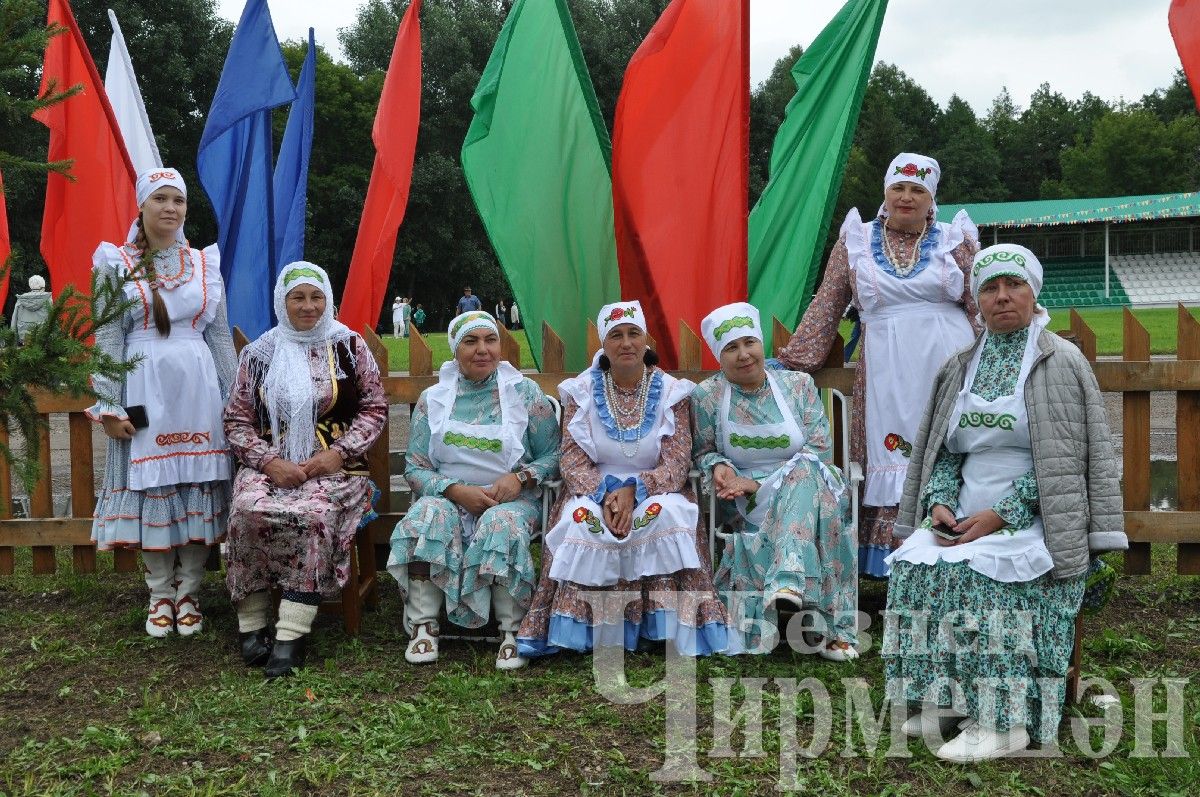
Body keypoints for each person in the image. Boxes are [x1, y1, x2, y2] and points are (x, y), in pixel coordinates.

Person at [883, 244, 1126, 761]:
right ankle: (945, 700)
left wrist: (1000, 516)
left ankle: (1005, 721)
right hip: (965, 516)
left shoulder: (1060, 362)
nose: (1002, 297)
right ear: (977, 301)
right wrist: (941, 504)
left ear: (1034, 292)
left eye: (1013, 285)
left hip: (1038, 519)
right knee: (914, 571)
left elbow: (1065, 461)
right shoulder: (961, 365)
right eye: (989, 288)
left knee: (985, 577)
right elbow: (942, 453)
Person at [777, 153, 981, 577]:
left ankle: (955, 550)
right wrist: (793, 363)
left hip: (952, 367)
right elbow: (828, 304)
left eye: (918, 190)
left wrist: (1006, 356)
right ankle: (899, 562)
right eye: (898, 188)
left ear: (932, 198)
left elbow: (979, 305)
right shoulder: (856, 240)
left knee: (953, 447)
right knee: (893, 451)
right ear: (885, 192)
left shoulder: (953, 239)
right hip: (887, 373)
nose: (906, 197)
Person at [518, 301, 735, 656]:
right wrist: (606, 494)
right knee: (582, 521)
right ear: (603, 345)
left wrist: (635, 490)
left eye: (634, 333)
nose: (626, 343)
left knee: (664, 515)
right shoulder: (581, 393)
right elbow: (571, 461)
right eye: (616, 336)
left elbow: (678, 462)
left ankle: (661, 627)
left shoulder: (671, 392)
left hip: (656, 487)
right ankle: (587, 630)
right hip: (594, 489)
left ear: (646, 339)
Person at [86, 168, 235, 638]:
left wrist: (235, 403)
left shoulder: (204, 264)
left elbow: (220, 341)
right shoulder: (114, 262)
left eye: (179, 200)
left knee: (197, 481)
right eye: (161, 200)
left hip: (198, 390)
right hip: (141, 388)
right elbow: (107, 335)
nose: (171, 208)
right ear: (142, 206)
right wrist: (108, 405)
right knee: (151, 487)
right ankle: (159, 596)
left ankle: (189, 591)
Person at [224, 262, 387, 678]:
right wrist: (268, 462)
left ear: (328, 300)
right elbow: (237, 422)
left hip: (337, 467)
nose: (308, 306)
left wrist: (338, 453)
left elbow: (373, 409)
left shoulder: (349, 346)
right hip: (272, 463)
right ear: (282, 301)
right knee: (247, 508)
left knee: (311, 514)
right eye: (298, 297)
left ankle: (291, 633)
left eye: (317, 297)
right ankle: (252, 623)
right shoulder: (258, 355)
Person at [387, 311, 560, 669]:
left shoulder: (525, 393)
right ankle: (424, 624)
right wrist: (453, 490)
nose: (483, 350)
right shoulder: (432, 399)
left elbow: (555, 456)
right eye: (471, 341)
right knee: (425, 515)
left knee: (500, 523)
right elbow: (415, 468)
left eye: (490, 340)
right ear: (455, 349)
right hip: (450, 497)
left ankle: (511, 630)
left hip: (511, 500)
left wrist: (521, 479)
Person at [692, 303, 857, 659]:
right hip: (745, 500)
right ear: (719, 356)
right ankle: (827, 626)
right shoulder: (707, 396)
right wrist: (721, 466)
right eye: (731, 348)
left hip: (813, 486)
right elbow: (702, 451)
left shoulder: (797, 385)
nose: (743, 354)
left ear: (761, 343)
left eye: (749, 342)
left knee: (804, 471)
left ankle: (788, 580)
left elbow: (818, 452)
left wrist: (760, 483)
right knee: (801, 478)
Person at [10, 274, 52, 343]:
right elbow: (52, 318)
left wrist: (13, 340)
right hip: (44, 338)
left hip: (24, 338)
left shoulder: (21, 299)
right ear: (43, 286)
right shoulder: (48, 299)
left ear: (30, 285)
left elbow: (14, 320)